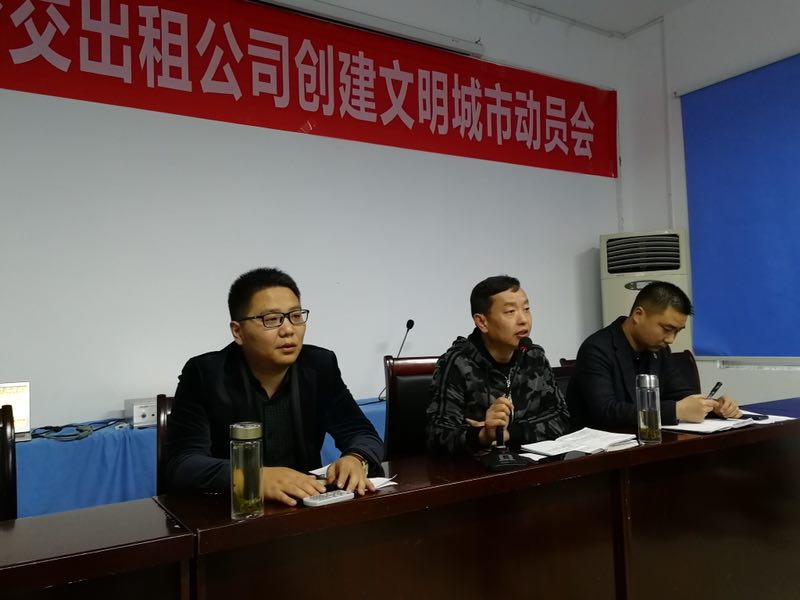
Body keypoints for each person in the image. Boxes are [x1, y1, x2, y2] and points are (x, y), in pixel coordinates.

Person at [165, 267, 384, 506]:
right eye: (271, 320)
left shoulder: (319, 366)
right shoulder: (205, 374)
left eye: (296, 316)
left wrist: (356, 458)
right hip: (233, 512)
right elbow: (182, 463)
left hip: (303, 509)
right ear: (238, 332)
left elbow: (362, 433)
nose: (288, 330)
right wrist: (252, 477)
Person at [566, 280, 742, 429]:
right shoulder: (596, 349)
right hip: (601, 451)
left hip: (648, 443)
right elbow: (606, 411)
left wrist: (714, 406)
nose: (671, 339)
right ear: (638, 315)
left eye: (677, 331)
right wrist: (676, 411)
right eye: (666, 329)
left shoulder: (659, 349)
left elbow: (680, 394)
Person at [426, 275, 570, 454]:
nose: (523, 319)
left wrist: (510, 433)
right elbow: (437, 434)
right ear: (482, 322)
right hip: (476, 467)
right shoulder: (457, 363)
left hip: (531, 463)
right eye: (510, 311)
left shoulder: (533, 356)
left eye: (526, 309)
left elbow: (561, 417)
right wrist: (482, 435)